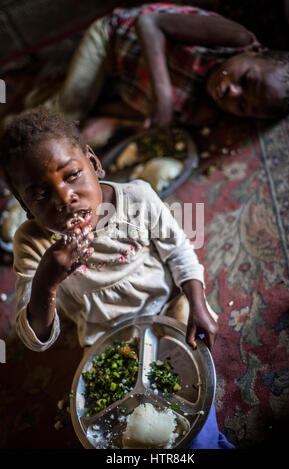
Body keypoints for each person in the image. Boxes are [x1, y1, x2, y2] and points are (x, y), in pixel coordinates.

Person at [0, 106, 234, 449]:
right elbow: (34, 337)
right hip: (104, 336)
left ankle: (209, 440)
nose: (65, 198)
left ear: (94, 164)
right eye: (41, 195)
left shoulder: (137, 199)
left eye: (71, 175)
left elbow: (179, 251)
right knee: (117, 432)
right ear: (25, 206)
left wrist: (197, 302)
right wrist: (47, 281)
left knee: (188, 405)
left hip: (168, 308)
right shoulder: (32, 243)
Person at [42, 2, 289, 128]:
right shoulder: (234, 38)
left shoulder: (202, 112)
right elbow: (149, 23)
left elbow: (144, 109)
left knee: (84, 125)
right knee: (68, 112)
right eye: (244, 80)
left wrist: (98, 114)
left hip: (124, 79)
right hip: (112, 40)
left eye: (242, 106)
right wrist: (163, 95)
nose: (232, 93)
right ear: (254, 51)